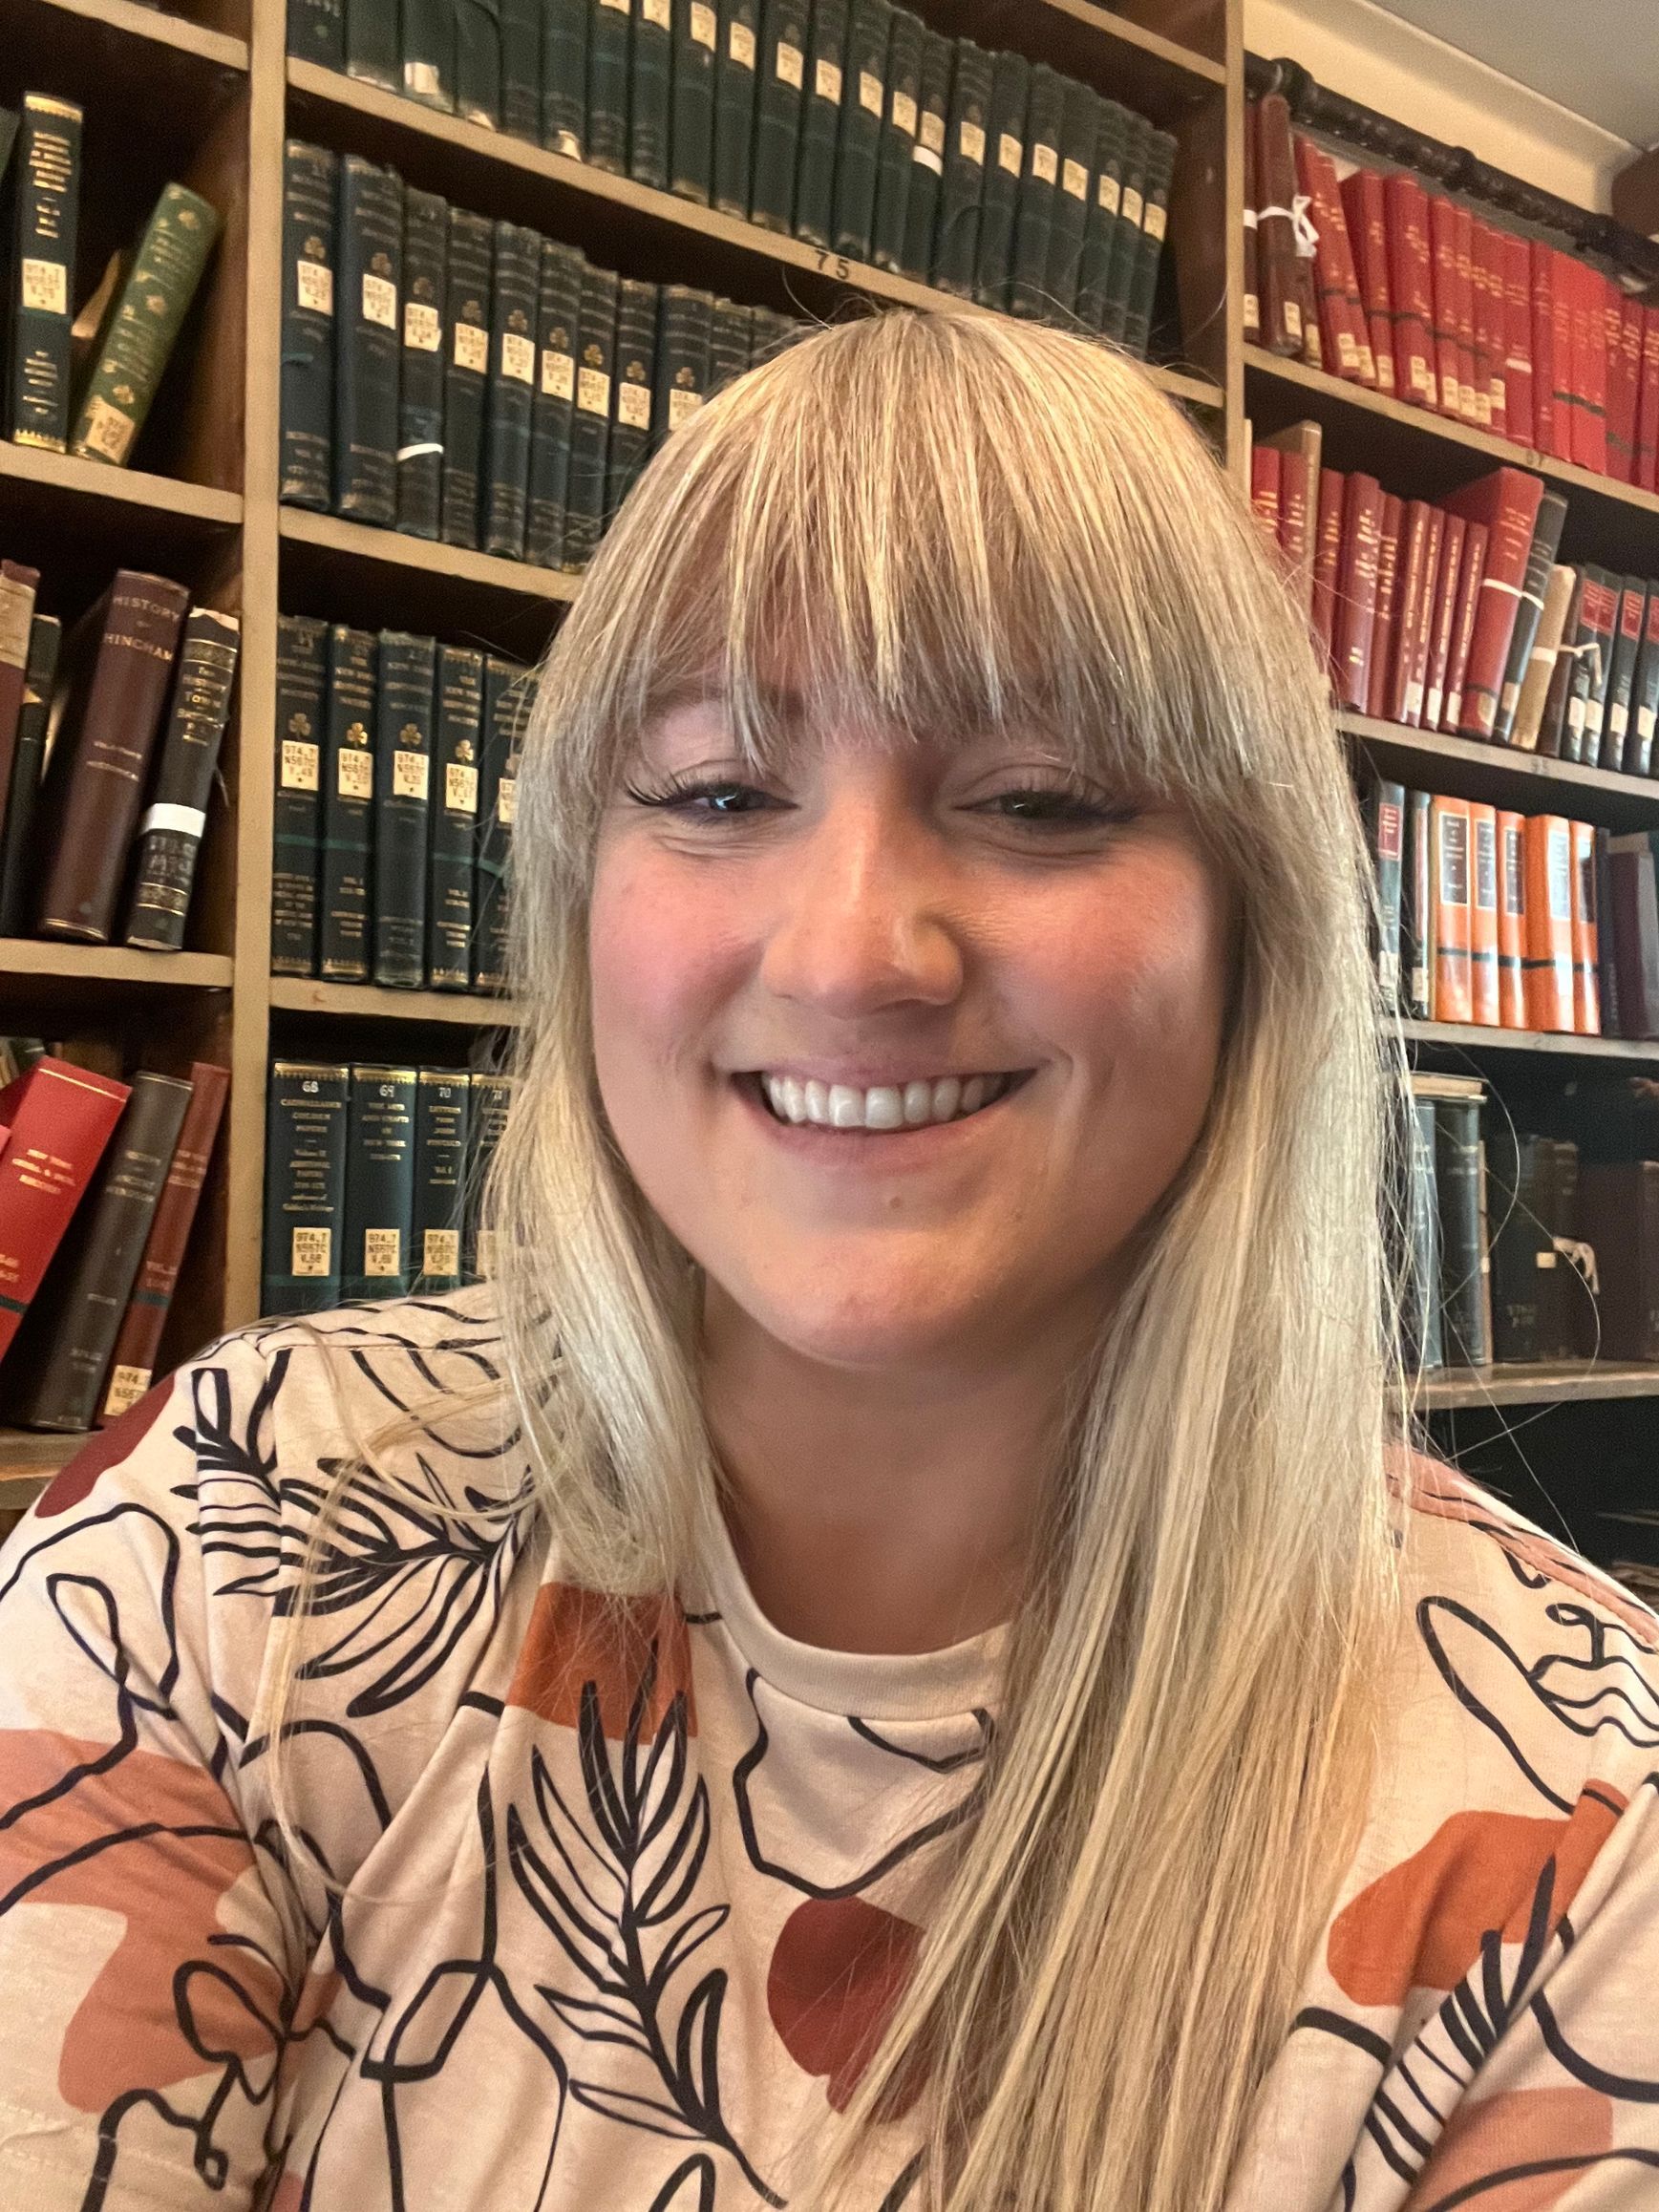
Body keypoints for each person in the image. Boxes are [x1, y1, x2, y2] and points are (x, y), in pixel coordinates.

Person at [0, 308, 1655, 2212]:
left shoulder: (1586, 1837)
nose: (853, 953)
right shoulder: (237, 1533)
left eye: (1039, 800)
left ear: (1250, 932)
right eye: (716, 793)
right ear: (576, 906)